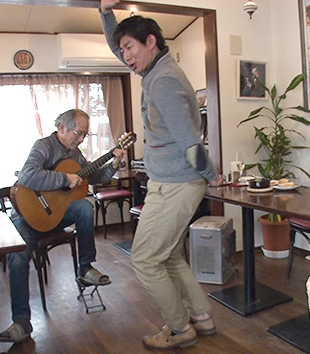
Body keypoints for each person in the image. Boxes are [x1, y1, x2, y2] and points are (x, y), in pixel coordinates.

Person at [99, 0, 223, 350]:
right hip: (168, 181)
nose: (124, 56)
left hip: (177, 184)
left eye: (129, 48)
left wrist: (211, 175)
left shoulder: (164, 80)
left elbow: (189, 142)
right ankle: (201, 316)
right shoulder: (154, 71)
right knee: (167, 255)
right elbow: (117, 43)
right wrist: (107, 13)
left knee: (144, 259)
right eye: (122, 49)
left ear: (150, 41)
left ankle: (179, 327)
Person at [0, 108, 124, 343]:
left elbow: (94, 177)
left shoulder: (76, 154)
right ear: (62, 128)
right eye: (78, 133)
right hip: (27, 215)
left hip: (56, 215)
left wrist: (114, 164)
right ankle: (22, 322)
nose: (81, 139)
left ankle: (85, 268)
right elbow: (26, 176)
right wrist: (64, 179)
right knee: (18, 256)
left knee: (85, 207)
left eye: (85, 135)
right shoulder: (43, 146)